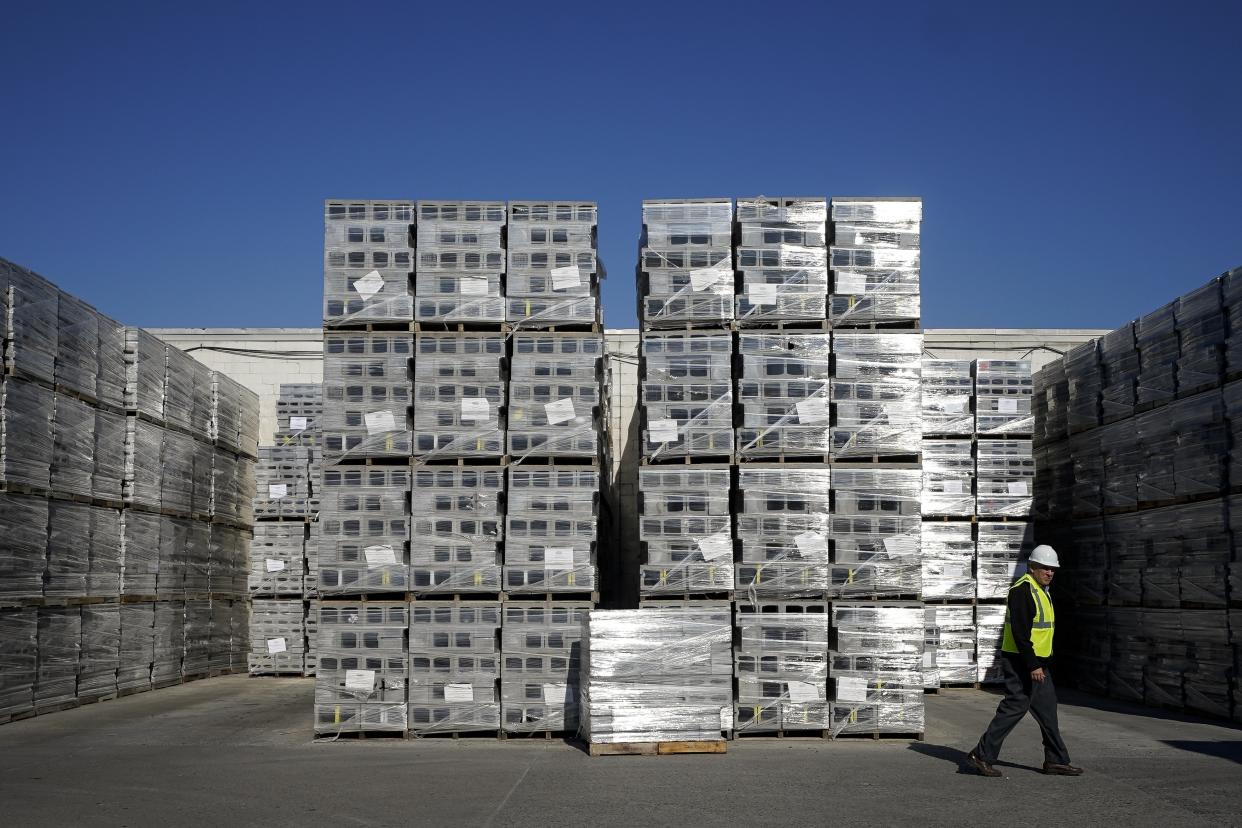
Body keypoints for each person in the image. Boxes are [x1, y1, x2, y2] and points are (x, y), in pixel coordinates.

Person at [967, 544, 1084, 777]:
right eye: (1045, 568)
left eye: (1052, 569)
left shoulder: (1042, 590)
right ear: (1032, 568)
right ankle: (981, 755)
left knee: (1047, 710)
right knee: (1015, 707)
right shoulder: (1023, 591)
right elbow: (1021, 634)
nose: (1049, 573)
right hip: (1023, 662)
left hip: (1038, 662)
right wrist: (1033, 665)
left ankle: (1056, 760)